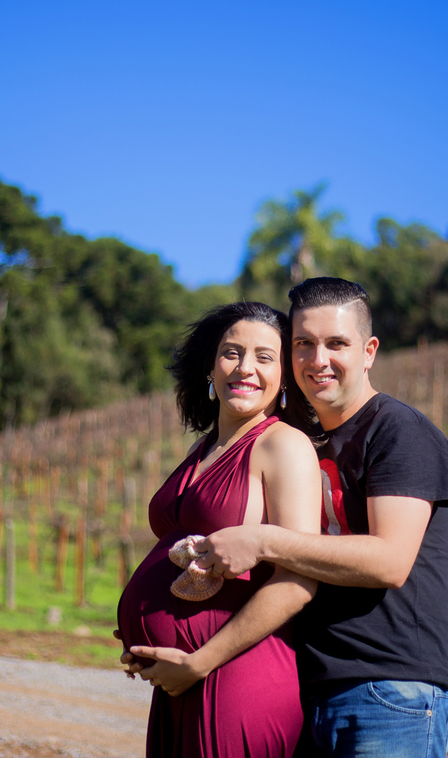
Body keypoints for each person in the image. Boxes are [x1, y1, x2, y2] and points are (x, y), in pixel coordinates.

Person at [196, 277, 448, 758]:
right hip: (310, 687)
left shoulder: (400, 433)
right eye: (303, 344)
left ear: (368, 351)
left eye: (336, 343)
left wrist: (262, 540)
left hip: (389, 692)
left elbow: (389, 561)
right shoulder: (302, 441)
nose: (318, 359)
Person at [116, 301, 321, 758]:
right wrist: (145, 632)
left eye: (264, 357)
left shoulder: (283, 445)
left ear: (285, 377)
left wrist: (198, 662)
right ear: (211, 366)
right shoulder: (205, 447)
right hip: (182, 678)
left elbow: (298, 582)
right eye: (232, 352)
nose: (245, 367)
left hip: (235, 677)